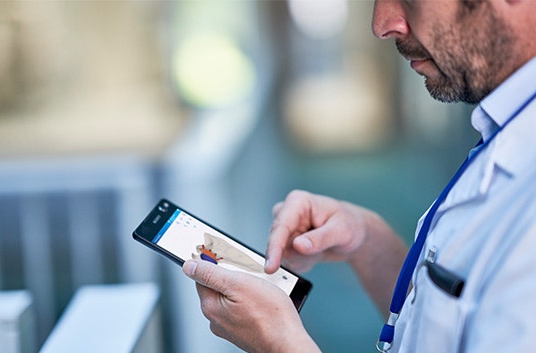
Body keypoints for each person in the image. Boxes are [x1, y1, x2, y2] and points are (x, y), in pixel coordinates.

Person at [182, 0, 536, 351]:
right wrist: (368, 241)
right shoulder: (505, 124)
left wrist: (280, 345)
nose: (382, 24)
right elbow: (455, 324)